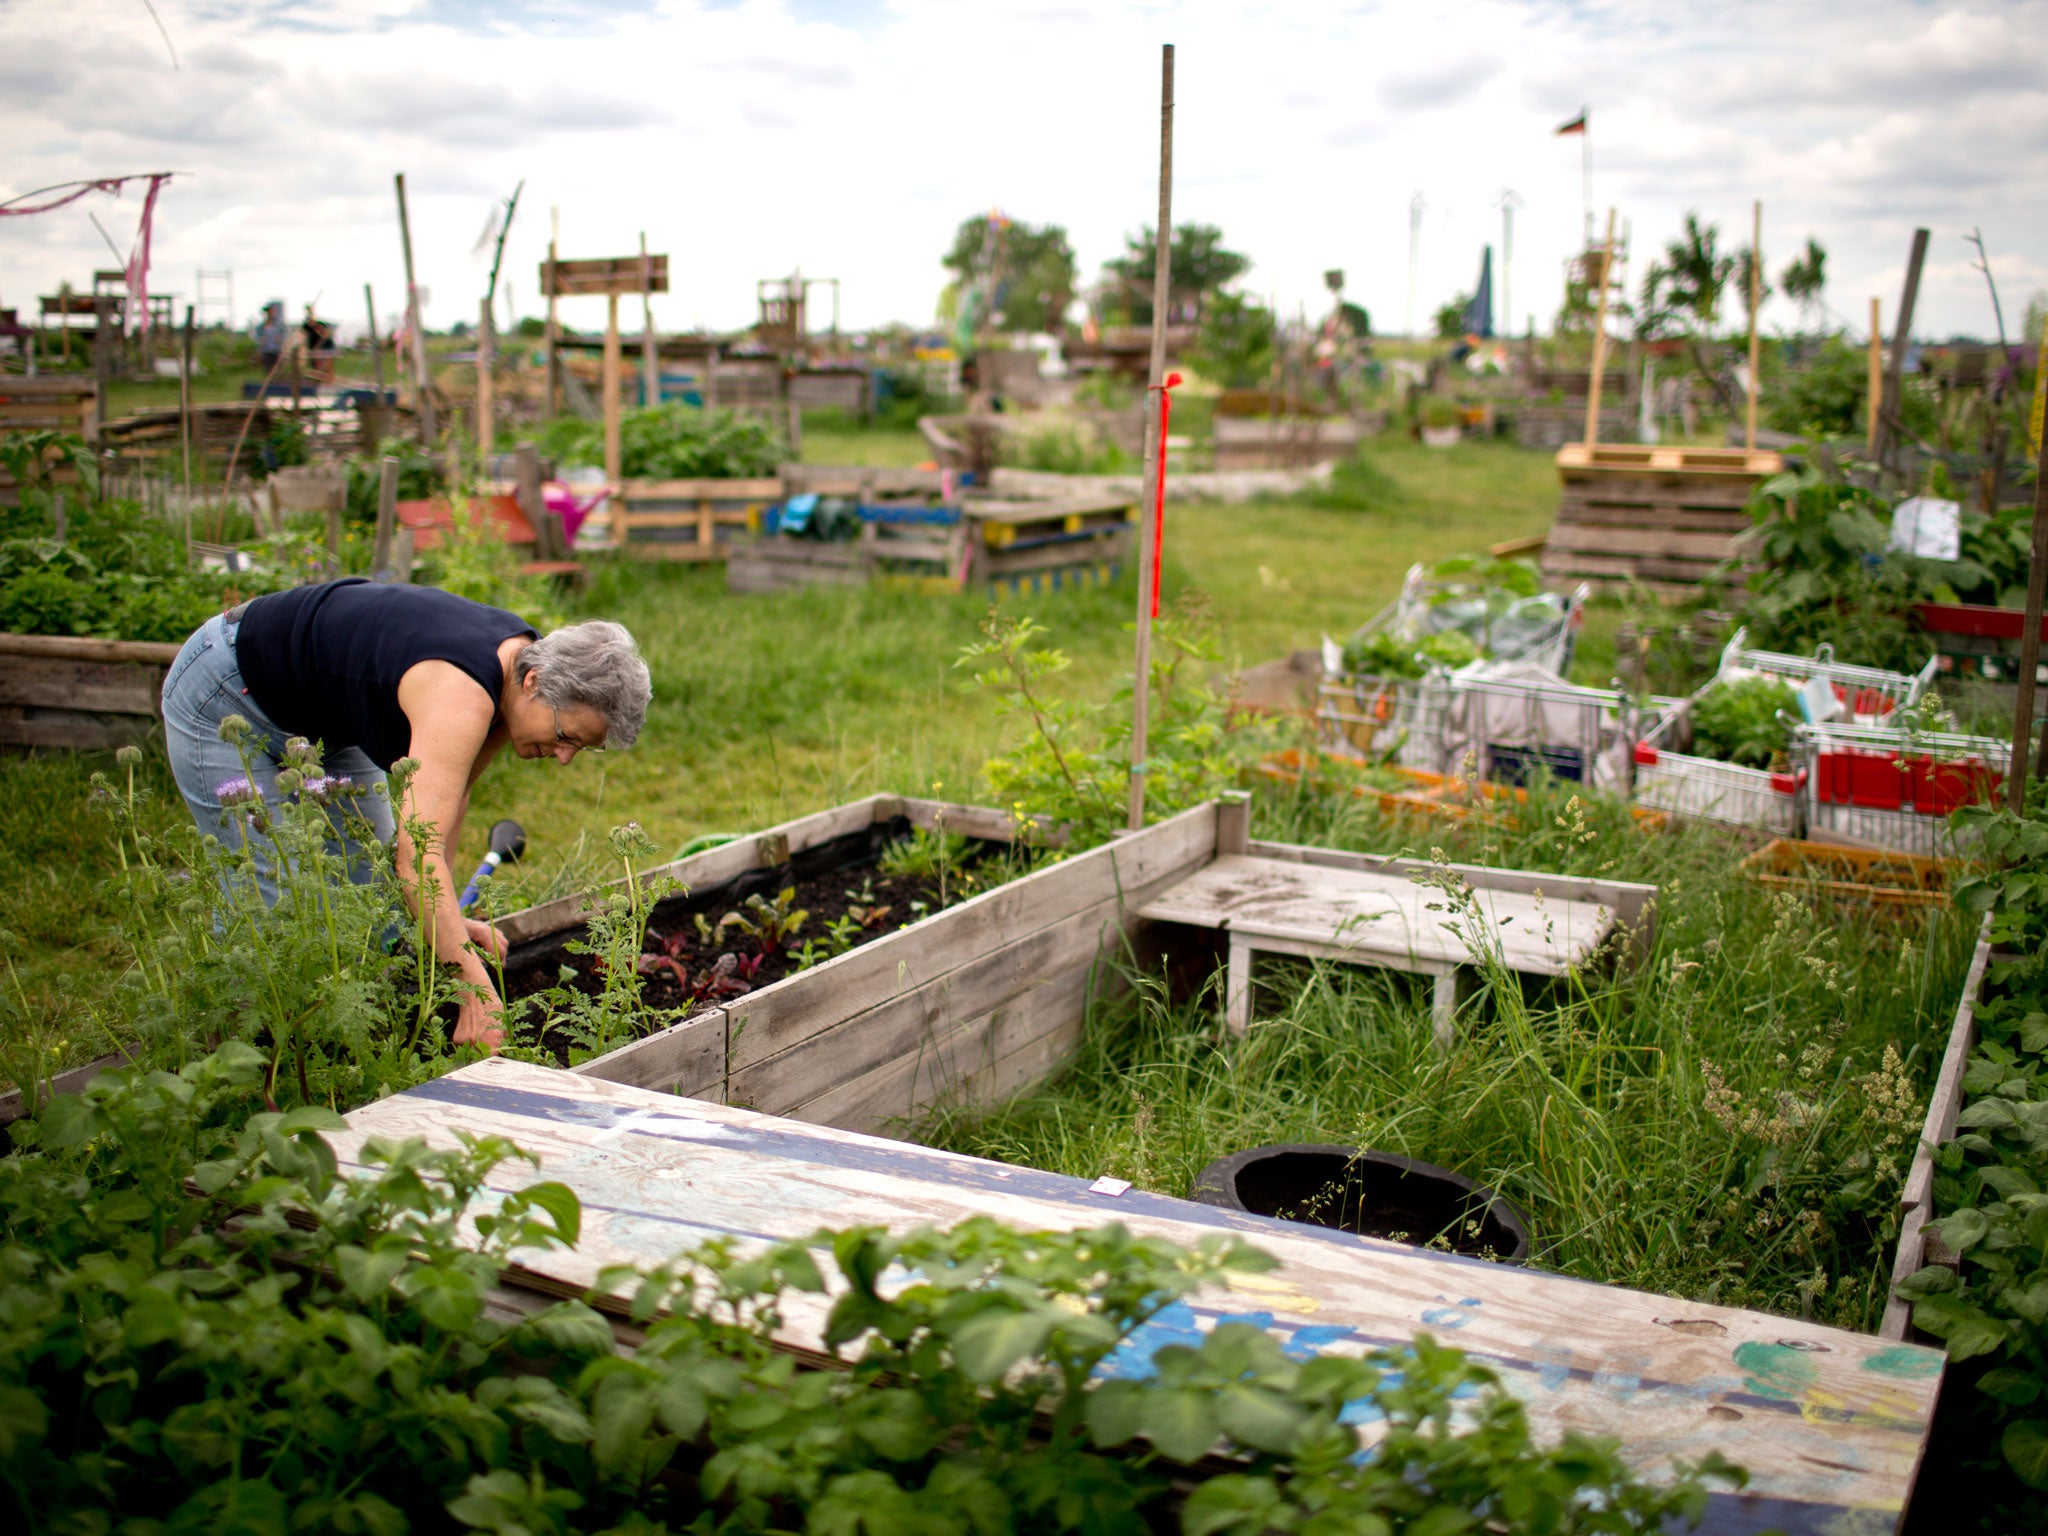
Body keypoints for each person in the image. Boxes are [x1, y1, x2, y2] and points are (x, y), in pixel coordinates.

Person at [160, 578, 651, 1051]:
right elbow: (418, 857)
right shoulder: (463, 693)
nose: (564, 757)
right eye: (566, 736)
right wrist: (474, 991)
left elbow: (445, 808)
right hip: (225, 692)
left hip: (321, 720)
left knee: (373, 893)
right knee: (269, 903)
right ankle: (243, 1071)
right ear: (533, 681)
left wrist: (450, 923)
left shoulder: (518, 684)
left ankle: (348, 1047)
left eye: (582, 749)